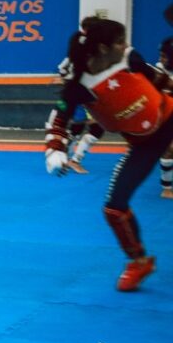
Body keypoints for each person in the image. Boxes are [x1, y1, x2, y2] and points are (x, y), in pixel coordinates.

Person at [44, 17, 173, 291]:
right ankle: (139, 262)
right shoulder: (79, 84)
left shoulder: (129, 58)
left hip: (170, 116)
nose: (126, 45)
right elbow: (60, 117)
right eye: (120, 41)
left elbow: (158, 79)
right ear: (103, 48)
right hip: (144, 144)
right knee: (115, 208)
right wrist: (54, 150)